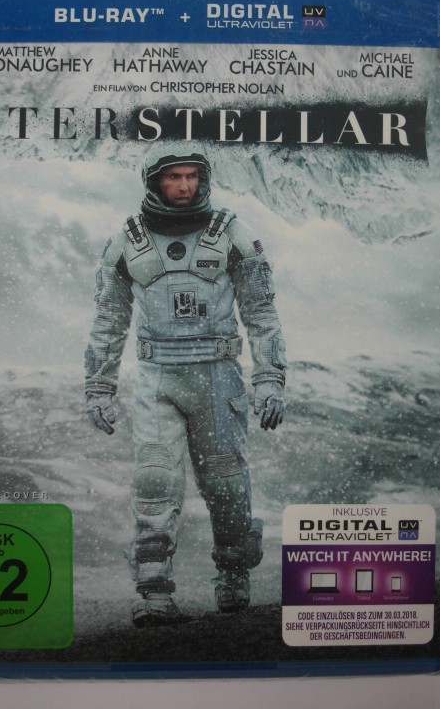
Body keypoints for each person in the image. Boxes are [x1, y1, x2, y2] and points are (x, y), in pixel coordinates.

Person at [84, 147, 287, 627]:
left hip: (217, 375)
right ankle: (153, 589)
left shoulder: (233, 235)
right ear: (154, 182)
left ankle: (233, 577)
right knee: (155, 480)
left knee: (226, 482)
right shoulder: (125, 242)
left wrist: (270, 378)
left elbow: (262, 314)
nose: (184, 186)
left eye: (192, 176)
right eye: (173, 177)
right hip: (159, 377)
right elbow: (108, 322)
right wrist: (98, 386)